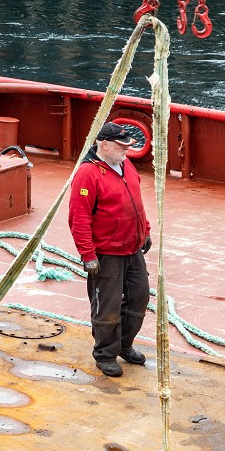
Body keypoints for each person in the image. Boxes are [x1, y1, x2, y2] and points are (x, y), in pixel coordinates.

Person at [68, 122, 152, 377]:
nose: (127, 151)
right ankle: (105, 354)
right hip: (107, 253)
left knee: (139, 297)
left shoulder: (126, 166)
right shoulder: (87, 174)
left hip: (132, 248)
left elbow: (136, 202)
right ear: (104, 145)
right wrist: (88, 256)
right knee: (108, 306)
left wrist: (145, 230)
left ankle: (124, 345)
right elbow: (78, 218)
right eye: (122, 146)